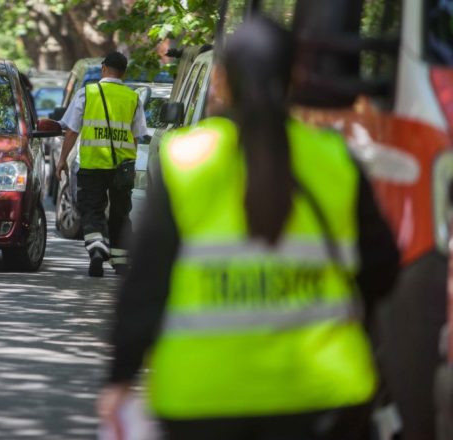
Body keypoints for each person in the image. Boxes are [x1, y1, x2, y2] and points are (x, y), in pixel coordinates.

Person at [97, 16, 401, 440]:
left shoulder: (187, 159)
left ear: (220, 81)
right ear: (295, 77)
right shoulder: (336, 158)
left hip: (200, 401)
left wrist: (120, 379)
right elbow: (383, 266)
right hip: (323, 400)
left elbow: (146, 283)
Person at [54, 52, 148, 277]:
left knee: (92, 210)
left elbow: (72, 131)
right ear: (123, 72)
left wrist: (62, 161)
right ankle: (121, 261)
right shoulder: (132, 98)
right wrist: (131, 165)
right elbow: (136, 136)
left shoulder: (87, 93)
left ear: (104, 68)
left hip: (92, 165)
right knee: (120, 214)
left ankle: (97, 248)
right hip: (122, 167)